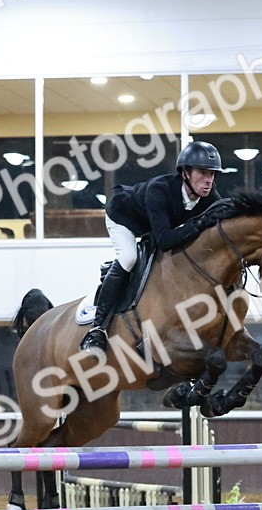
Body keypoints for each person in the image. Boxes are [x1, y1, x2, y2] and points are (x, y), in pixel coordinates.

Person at [78, 140, 224, 354]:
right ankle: (97, 328)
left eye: (212, 174)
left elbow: (225, 216)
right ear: (184, 173)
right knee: (129, 258)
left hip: (154, 227)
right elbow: (165, 240)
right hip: (123, 217)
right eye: (202, 172)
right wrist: (200, 223)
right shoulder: (159, 189)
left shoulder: (209, 196)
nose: (209, 180)